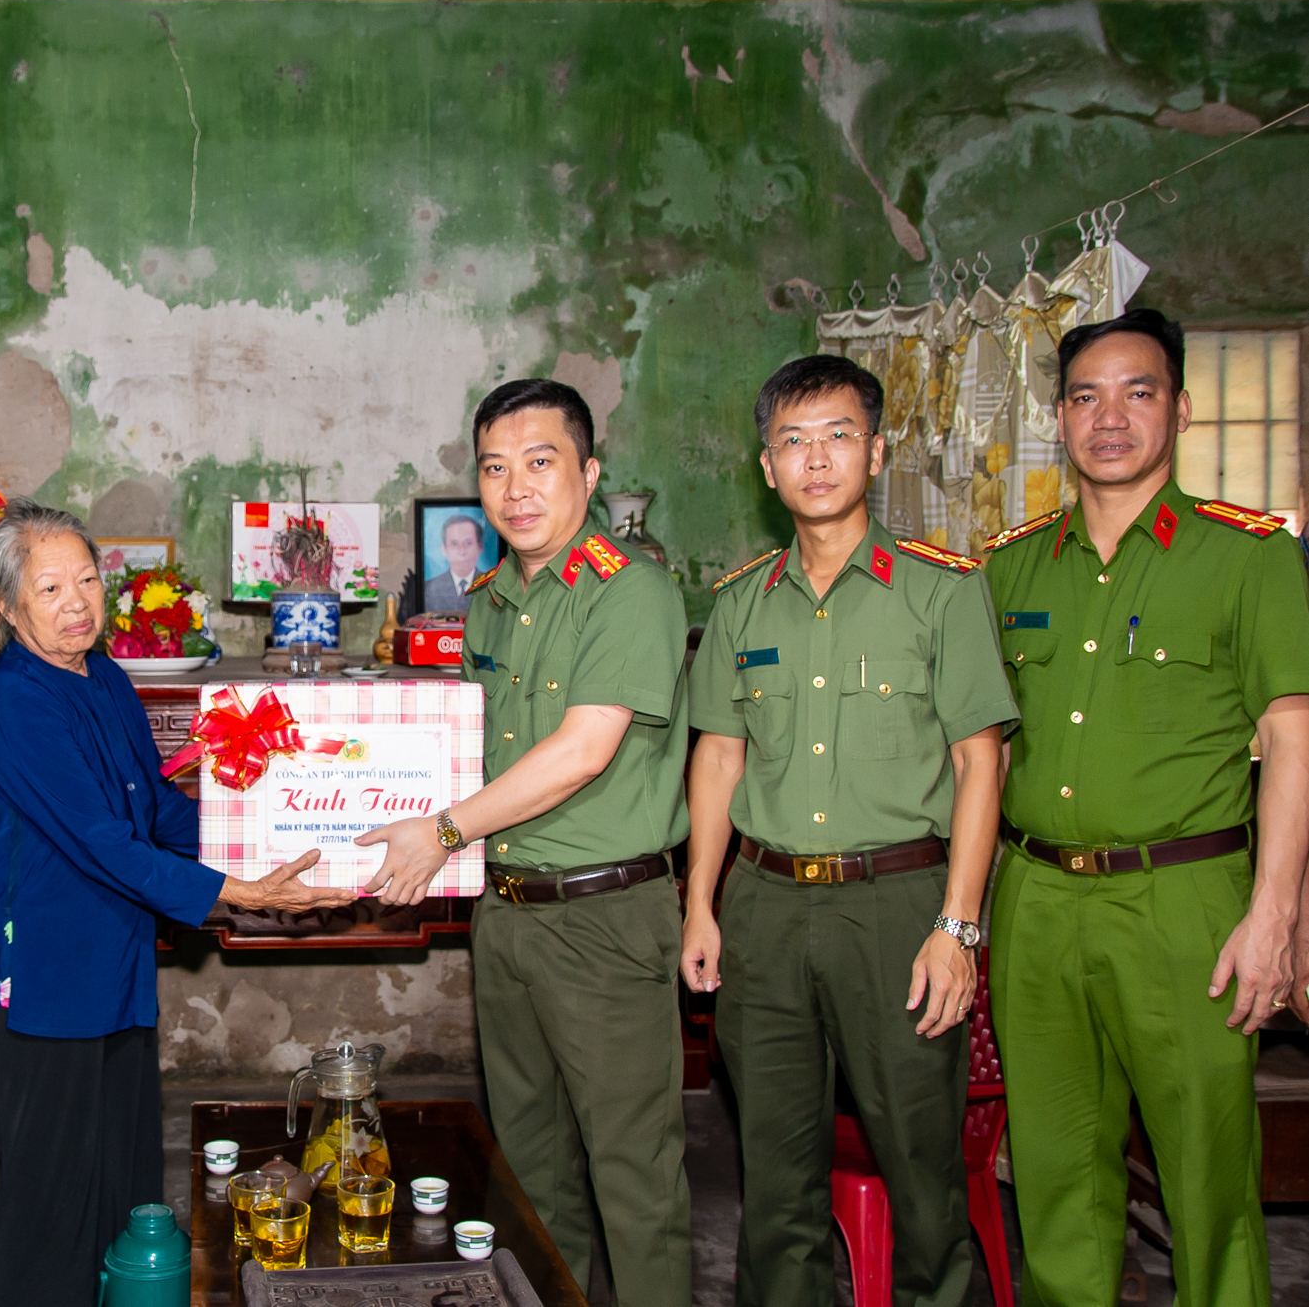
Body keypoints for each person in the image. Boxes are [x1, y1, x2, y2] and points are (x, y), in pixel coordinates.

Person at [983, 308, 1309, 1307]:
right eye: (1086, 395)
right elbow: (985, 750)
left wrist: (1274, 915)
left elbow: (1295, 735)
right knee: (1057, 1176)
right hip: (1037, 901)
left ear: (1182, 408)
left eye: (1138, 391)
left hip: (1185, 903)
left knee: (1207, 1182)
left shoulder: (1247, 555)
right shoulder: (1013, 563)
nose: (1110, 417)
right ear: (1060, 417)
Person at [680, 355, 1017, 1307]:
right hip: (767, 909)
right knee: (775, 1181)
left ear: (873, 450)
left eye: (835, 436)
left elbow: (976, 763)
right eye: (792, 441)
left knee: (922, 1173)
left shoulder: (941, 590)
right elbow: (716, 761)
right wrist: (700, 906)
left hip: (899, 906)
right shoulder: (741, 599)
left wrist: (958, 927)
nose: (814, 459)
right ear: (764, 466)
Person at [0, 499, 350, 1305]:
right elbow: (102, 842)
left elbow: (153, 809)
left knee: (122, 1180)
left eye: (88, 581)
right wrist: (240, 893)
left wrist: (267, 836)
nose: (78, 604)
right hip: (40, 982)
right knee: (49, 1201)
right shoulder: (15, 699)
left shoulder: (100, 675)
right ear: (5, 606)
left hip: (113, 964)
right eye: (49, 589)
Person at [357, 378, 694, 1305]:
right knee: (533, 1172)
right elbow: (470, 750)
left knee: (632, 1177)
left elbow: (581, 752)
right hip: (506, 916)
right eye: (496, 469)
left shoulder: (633, 594)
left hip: (603, 916)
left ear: (587, 473)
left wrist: (437, 832)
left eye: (540, 463)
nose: (517, 489)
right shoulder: (492, 599)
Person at [423, 512, 488, 612]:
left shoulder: (492, 586)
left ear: (480, 546)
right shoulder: (429, 589)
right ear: (444, 549)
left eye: (468, 543)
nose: (462, 551)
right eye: (454, 544)